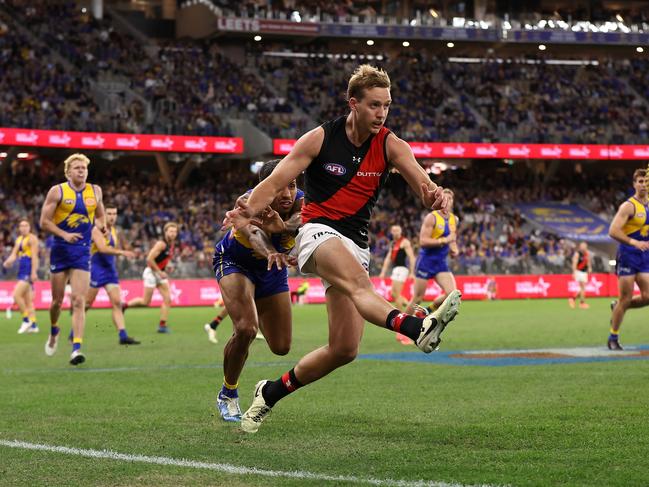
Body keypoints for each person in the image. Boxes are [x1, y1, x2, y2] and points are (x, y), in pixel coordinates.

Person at [225, 64, 461, 433]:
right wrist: (248, 208)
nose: (381, 114)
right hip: (317, 232)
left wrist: (436, 196)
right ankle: (415, 327)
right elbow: (275, 181)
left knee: (344, 349)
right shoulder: (319, 139)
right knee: (360, 287)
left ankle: (269, 393)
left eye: (387, 105)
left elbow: (423, 183)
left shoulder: (391, 144)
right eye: (373, 105)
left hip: (357, 243)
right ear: (353, 103)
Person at [212, 159, 303, 422]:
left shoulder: (301, 200)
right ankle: (228, 393)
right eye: (280, 188)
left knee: (282, 346)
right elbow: (253, 233)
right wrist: (272, 251)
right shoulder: (248, 201)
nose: (287, 194)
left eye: (293, 186)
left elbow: (303, 218)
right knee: (246, 329)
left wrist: (284, 228)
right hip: (235, 261)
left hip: (272, 267)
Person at [40, 153, 106, 365]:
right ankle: (54, 329)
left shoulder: (95, 191)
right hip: (60, 250)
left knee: (78, 300)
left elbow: (101, 215)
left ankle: (76, 348)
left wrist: (102, 226)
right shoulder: (57, 191)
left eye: (84, 168)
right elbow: (44, 222)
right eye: (77, 168)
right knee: (57, 302)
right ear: (68, 172)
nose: (81, 171)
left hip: (82, 251)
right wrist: (64, 234)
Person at [86, 204, 139, 345]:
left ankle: (123, 336)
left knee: (117, 302)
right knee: (86, 304)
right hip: (96, 269)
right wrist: (121, 252)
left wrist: (128, 250)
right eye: (109, 213)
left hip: (110, 270)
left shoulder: (114, 231)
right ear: (103, 214)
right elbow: (102, 249)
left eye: (114, 214)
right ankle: (74, 333)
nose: (112, 217)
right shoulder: (96, 230)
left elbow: (113, 248)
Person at [607, 168, 649, 350]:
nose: (643, 184)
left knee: (648, 296)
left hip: (644, 255)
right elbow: (613, 230)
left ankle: (617, 307)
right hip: (627, 255)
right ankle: (612, 337)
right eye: (640, 181)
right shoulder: (628, 206)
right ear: (634, 184)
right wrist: (633, 242)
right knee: (626, 297)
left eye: (645, 181)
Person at [405, 189, 459, 316]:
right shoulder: (432, 217)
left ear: (452, 202)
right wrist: (445, 240)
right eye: (444, 198)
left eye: (449, 199)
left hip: (440, 263)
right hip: (426, 261)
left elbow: (452, 239)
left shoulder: (454, 219)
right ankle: (401, 328)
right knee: (417, 297)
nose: (447, 201)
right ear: (439, 201)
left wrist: (454, 250)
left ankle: (425, 312)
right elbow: (423, 241)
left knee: (452, 294)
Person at [125, 222, 178, 333]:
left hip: (160, 273)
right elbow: (149, 259)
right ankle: (124, 306)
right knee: (145, 302)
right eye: (171, 231)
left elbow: (162, 259)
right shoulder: (161, 244)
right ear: (165, 232)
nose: (173, 234)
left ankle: (162, 326)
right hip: (151, 273)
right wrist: (159, 272)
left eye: (175, 231)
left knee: (168, 300)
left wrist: (167, 267)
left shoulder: (171, 244)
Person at [378, 224, 415, 344]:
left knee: (396, 294)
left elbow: (411, 257)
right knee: (394, 295)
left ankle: (401, 323)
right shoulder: (393, 244)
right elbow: (388, 258)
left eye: (397, 230)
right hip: (396, 270)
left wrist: (412, 272)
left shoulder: (404, 242)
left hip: (402, 269)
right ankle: (413, 308)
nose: (395, 232)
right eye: (393, 230)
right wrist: (383, 272)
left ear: (400, 231)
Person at [2, 219, 39, 334]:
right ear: (19, 228)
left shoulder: (32, 239)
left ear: (29, 227)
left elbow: (35, 257)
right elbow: (14, 255)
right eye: (21, 226)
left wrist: (34, 272)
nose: (23, 228)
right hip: (22, 270)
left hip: (28, 270)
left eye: (26, 225)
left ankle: (26, 320)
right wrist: (8, 262)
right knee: (28, 301)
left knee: (16, 295)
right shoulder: (18, 240)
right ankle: (34, 325)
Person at [568, 241, 591, 309]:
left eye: (585, 246)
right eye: (582, 246)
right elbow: (574, 263)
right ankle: (582, 303)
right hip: (579, 271)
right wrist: (574, 272)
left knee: (582, 288)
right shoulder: (577, 254)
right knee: (583, 287)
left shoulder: (587, 253)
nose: (584, 247)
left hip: (584, 272)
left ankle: (572, 299)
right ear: (580, 247)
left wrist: (589, 267)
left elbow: (588, 261)